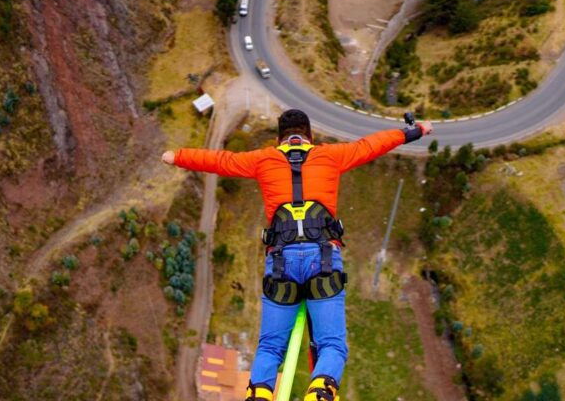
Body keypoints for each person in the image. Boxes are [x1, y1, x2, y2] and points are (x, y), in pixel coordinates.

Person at [161, 109, 432, 401]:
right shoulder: (330, 155)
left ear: (280, 138)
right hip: (323, 260)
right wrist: (414, 131)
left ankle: (261, 393)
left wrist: (176, 156)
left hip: (281, 263)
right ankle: (320, 391)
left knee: (270, 346)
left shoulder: (263, 159)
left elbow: (220, 161)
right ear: (309, 135)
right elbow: (373, 144)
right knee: (331, 345)